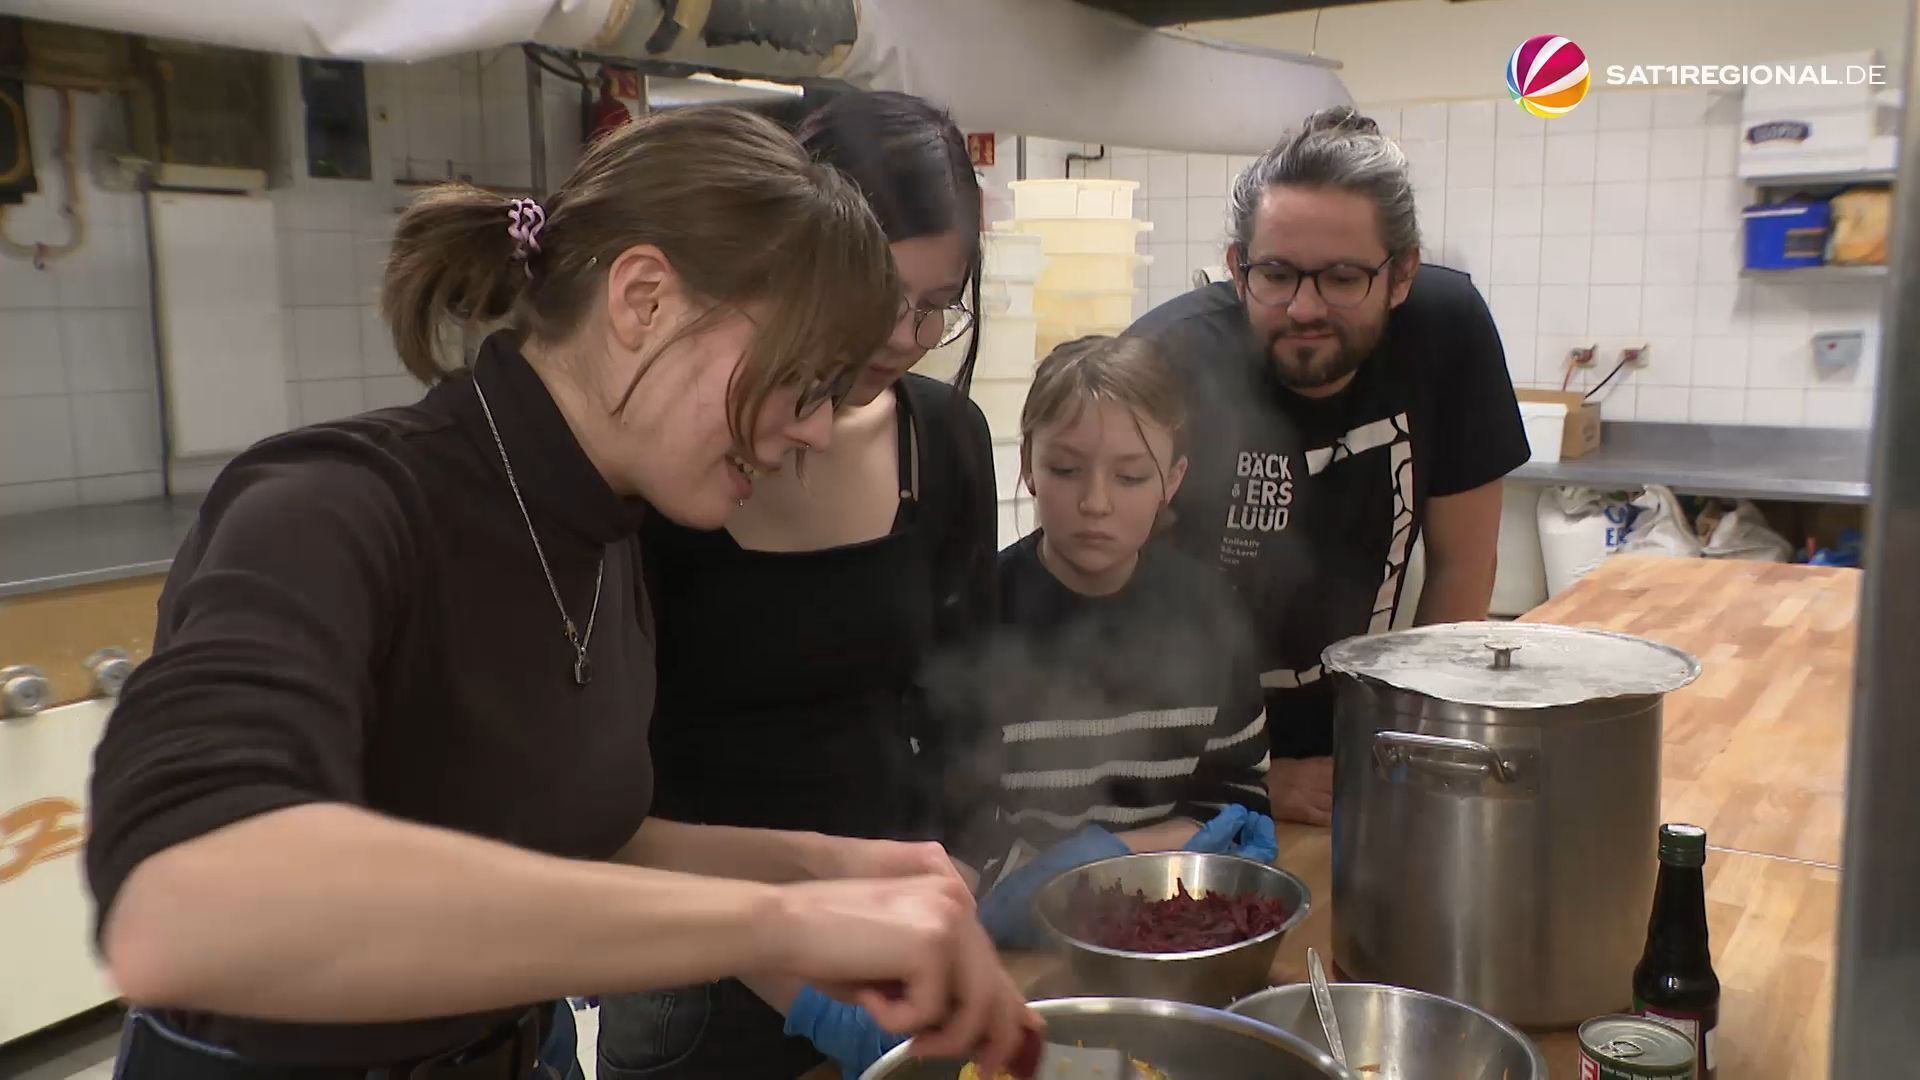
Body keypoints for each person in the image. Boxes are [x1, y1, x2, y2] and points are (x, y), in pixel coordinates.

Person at [83, 105, 1037, 1080]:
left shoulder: (603, 531)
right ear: (644, 300)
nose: (816, 432)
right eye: (797, 377)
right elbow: (180, 907)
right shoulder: (332, 507)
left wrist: (830, 868)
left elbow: (561, 839)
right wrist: (776, 921)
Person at [595, 90, 998, 1080]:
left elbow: (966, 700)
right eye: (883, 294)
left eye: (937, 305)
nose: (904, 335)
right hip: (690, 961)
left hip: (882, 939)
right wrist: (787, 963)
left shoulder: (944, 440)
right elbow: (595, 799)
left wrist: (960, 878)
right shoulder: (660, 463)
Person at [771, 336, 1282, 1078]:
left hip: (1160, 955)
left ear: (1173, 480)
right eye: (1066, 469)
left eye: (1130, 475)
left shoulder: (1211, 618)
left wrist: (1098, 860)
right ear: (1028, 467)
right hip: (1008, 964)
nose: (1096, 502)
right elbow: (952, 819)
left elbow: (1238, 806)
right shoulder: (976, 614)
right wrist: (1044, 882)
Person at [1126, 106, 1529, 826]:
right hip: (1186, 770)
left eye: (1343, 278)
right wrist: (1239, 774)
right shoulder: (1166, 363)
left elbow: (1464, 564)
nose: (1303, 308)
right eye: (1276, 274)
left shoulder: (1447, 333)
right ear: (1236, 268)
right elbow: (1105, 601)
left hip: (1371, 746)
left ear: (1401, 274)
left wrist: (1413, 739)